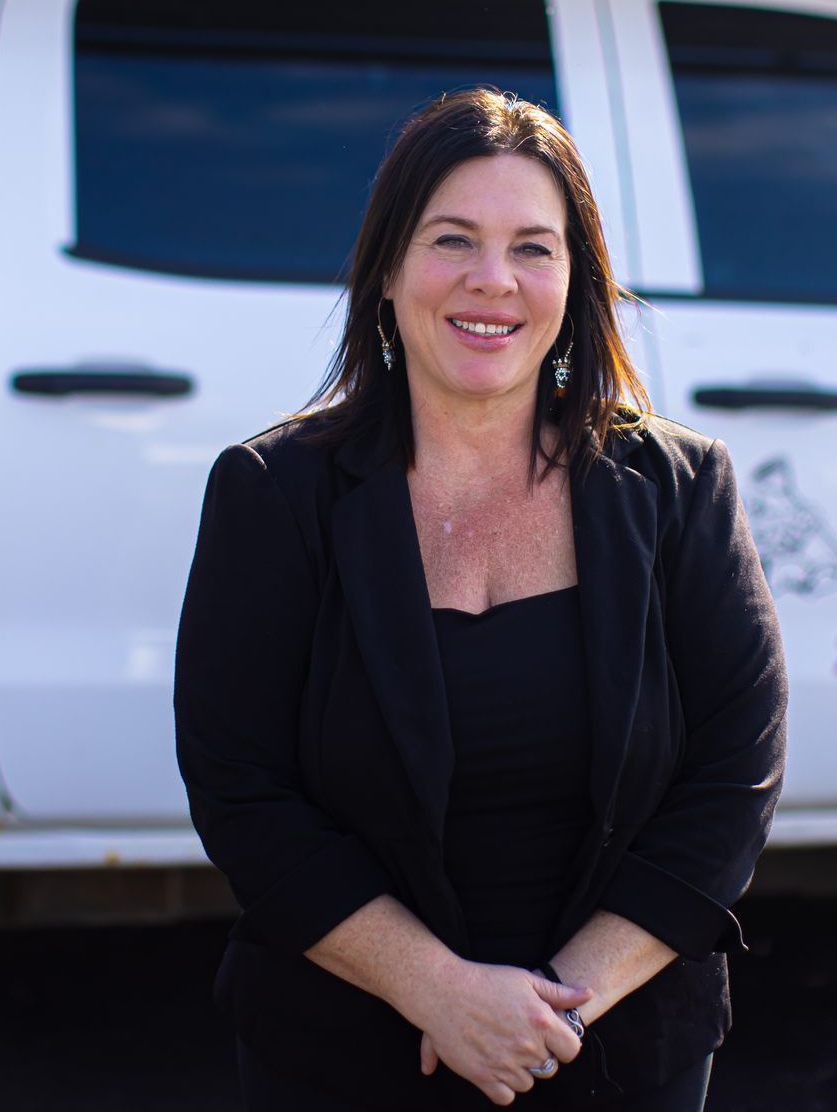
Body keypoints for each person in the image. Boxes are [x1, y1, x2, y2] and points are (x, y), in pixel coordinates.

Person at [173, 88, 789, 1111]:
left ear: (576, 281)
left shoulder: (680, 487)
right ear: (384, 269)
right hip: (338, 1047)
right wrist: (440, 991)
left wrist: (553, 1010)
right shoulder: (275, 490)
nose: (492, 280)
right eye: (451, 238)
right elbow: (240, 784)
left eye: (533, 248)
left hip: (620, 1046)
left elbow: (735, 776)